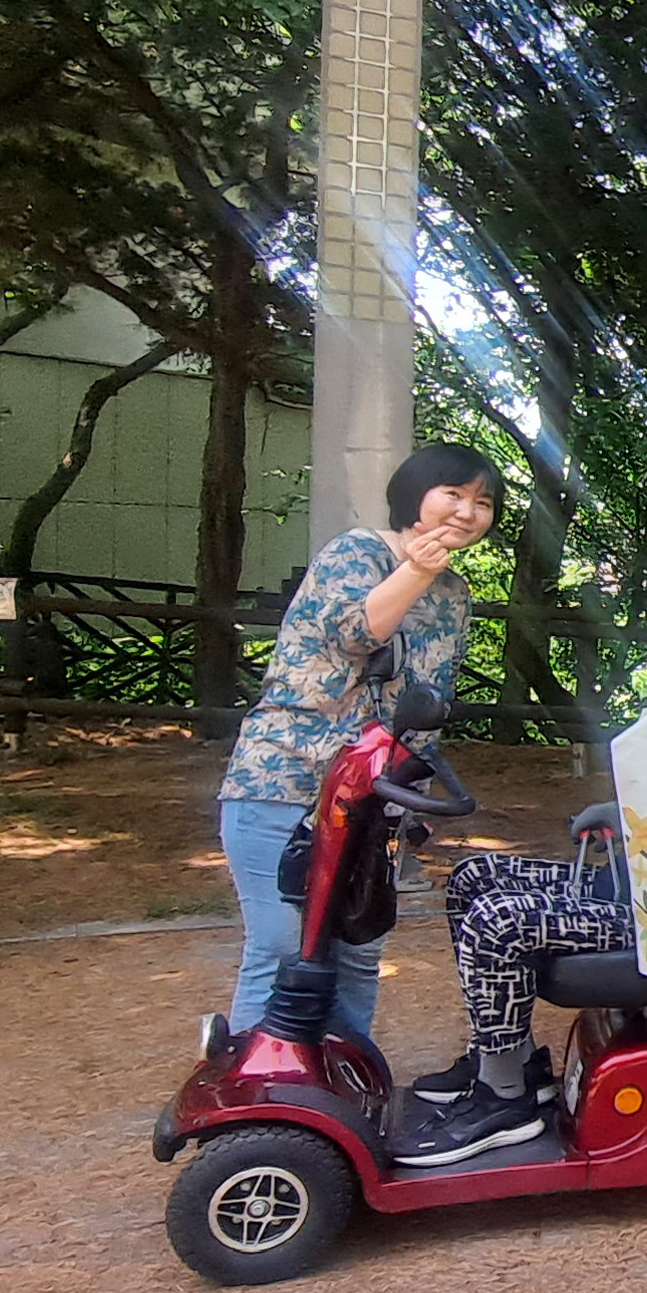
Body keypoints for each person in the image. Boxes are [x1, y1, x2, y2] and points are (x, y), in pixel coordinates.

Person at [389, 572, 647, 1164]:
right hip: (634, 883)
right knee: (473, 878)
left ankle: (505, 1100)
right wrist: (623, 815)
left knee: (499, 921)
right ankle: (508, 1058)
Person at [217, 444, 499, 1047]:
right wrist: (415, 570)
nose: (468, 511)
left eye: (483, 502)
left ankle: (340, 1080)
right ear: (415, 493)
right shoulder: (356, 553)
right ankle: (254, 1084)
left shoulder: (454, 592)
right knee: (282, 945)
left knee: (359, 948)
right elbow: (353, 636)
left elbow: (428, 703)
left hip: (375, 801)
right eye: (454, 494)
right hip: (286, 780)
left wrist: (414, 802)